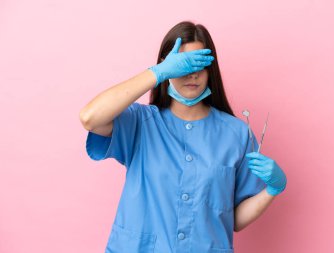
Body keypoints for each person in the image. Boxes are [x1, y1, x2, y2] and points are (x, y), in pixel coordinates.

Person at [79, 21, 287, 253]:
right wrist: (157, 73)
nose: (192, 73)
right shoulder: (140, 123)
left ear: (211, 69)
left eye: (200, 62)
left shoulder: (236, 134)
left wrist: (272, 190)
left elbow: (233, 220)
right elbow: (90, 117)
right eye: (183, 64)